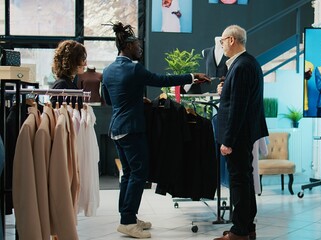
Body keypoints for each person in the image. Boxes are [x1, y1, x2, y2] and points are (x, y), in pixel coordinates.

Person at [101, 22, 209, 239]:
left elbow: (108, 100)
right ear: (128, 46)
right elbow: (163, 80)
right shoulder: (134, 69)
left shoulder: (108, 70)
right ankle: (128, 221)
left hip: (116, 128)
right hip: (132, 129)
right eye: (138, 46)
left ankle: (128, 216)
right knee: (139, 174)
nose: (140, 49)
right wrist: (191, 77)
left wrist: (133, 100)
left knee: (129, 174)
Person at [214, 25, 268, 240]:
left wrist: (228, 140)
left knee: (239, 181)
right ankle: (246, 227)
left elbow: (238, 106)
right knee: (244, 180)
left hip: (238, 135)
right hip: (244, 132)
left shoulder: (242, 65)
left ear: (231, 40)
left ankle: (238, 231)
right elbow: (237, 96)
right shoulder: (246, 63)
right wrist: (224, 88)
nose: (222, 46)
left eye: (222, 42)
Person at [50, 40, 87, 108]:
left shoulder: (66, 83)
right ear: (73, 61)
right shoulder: (62, 85)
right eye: (83, 59)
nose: (85, 64)